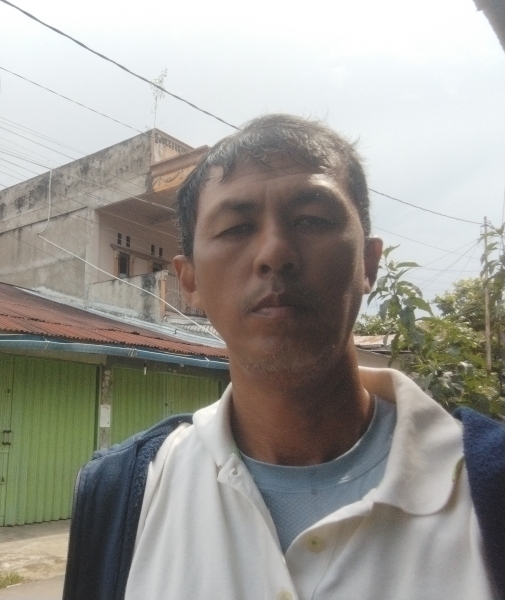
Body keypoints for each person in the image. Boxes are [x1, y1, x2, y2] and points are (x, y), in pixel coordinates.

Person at [63, 115, 503, 600]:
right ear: (189, 281)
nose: (274, 252)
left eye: (312, 219)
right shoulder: (123, 494)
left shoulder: (487, 488)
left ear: (368, 263)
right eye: (236, 228)